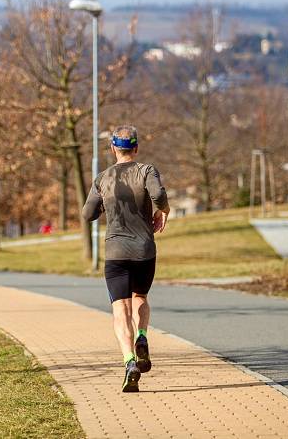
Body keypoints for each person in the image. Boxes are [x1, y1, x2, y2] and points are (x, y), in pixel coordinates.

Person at [82, 125, 170, 393]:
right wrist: (162, 210)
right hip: (144, 250)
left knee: (120, 308)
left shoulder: (103, 178)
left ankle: (129, 362)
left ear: (113, 149)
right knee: (140, 298)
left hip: (115, 252)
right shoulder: (146, 171)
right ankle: (142, 336)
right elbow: (157, 195)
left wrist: (104, 205)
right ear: (136, 147)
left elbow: (88, 214)